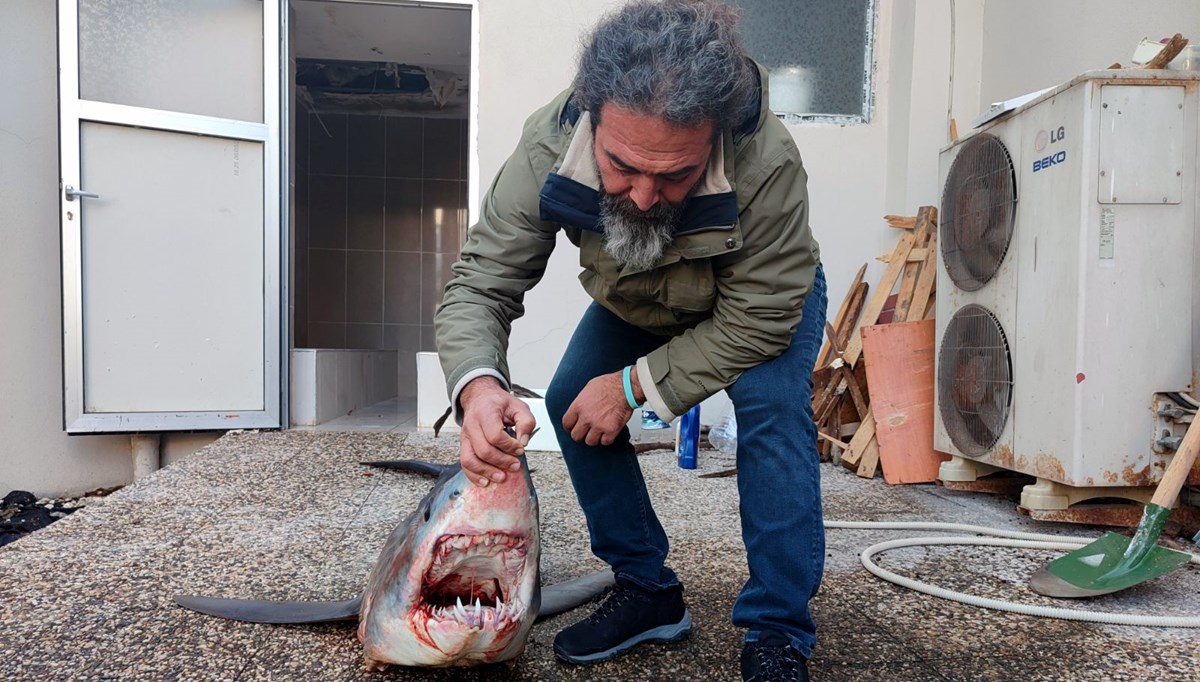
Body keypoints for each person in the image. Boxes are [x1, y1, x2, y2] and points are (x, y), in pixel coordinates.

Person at [433, 2, 826, 680]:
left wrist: (636, 387)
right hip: (638, 293)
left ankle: (779, 629)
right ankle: (648, 589)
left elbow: (761, 316)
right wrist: (478, 385)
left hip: (755, 305)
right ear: (593, 113)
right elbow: (482, 282)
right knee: (570, 403)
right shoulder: (549, 144)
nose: (643, 198)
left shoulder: (767, 161)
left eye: (674, 174)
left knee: (773, 417)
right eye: (622, 167)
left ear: (716, 134)